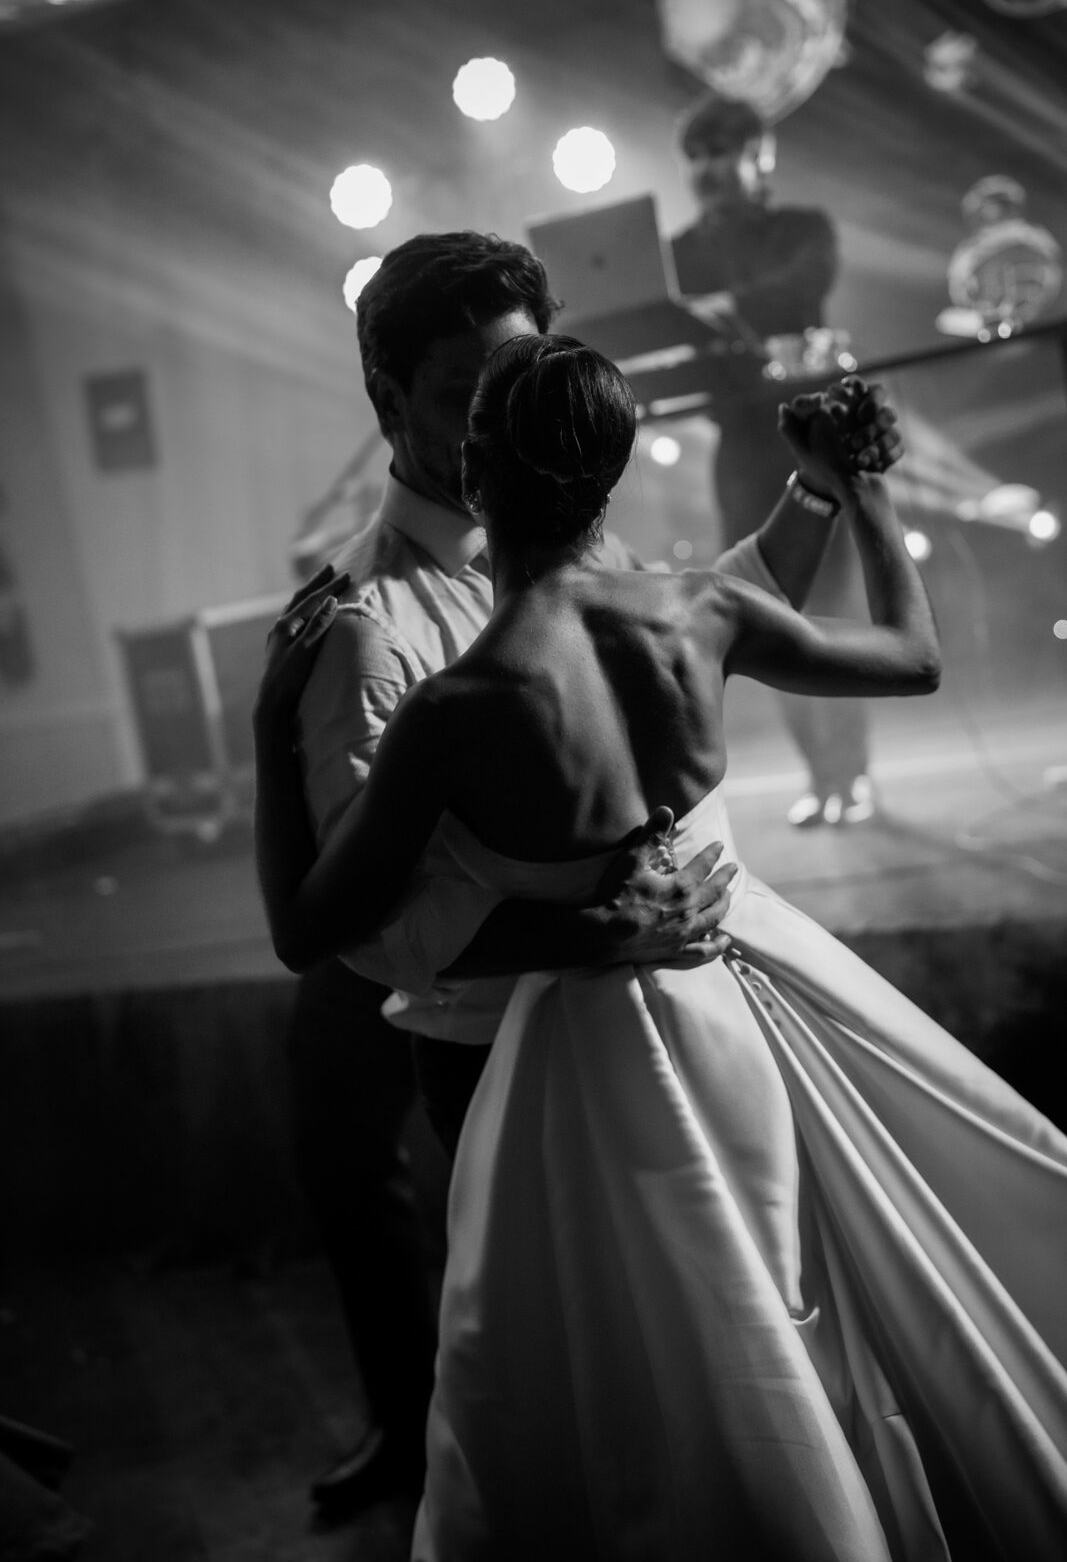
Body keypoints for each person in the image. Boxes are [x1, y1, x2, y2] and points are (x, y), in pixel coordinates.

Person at [254, 336, 1067, 1560]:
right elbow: (914, 658)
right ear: (610, 477)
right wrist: (857, 487)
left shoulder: (454, 712)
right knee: (798, 1300)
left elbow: (305, 928)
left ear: (475, 473)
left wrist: (273, 726)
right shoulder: (699, 610)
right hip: (740, 1011)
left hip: (585, 1071)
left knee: (630, 1376)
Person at [288, 228, 899, 1517]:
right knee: (588, 1416)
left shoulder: (562, 530)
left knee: (740, 1365)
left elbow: (706, 620)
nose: (506, 416)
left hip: (684, 1028)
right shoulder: (362, 626)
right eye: (468, 395)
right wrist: (592, 931)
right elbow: (367, 928)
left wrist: (815, 495)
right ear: (388, 400)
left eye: (522, 376)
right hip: (501, 1071)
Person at [671, 91, 875, 829]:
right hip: (741, 450)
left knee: (835, 611)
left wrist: (719, 309)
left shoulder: (803, 227)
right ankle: (821, 776)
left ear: (759, 156)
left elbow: (801, 287)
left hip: (813, 441)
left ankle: (852, 775)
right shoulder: (678, 252)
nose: (706, 168)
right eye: (696, 156)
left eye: (721, 151)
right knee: (769, 617)